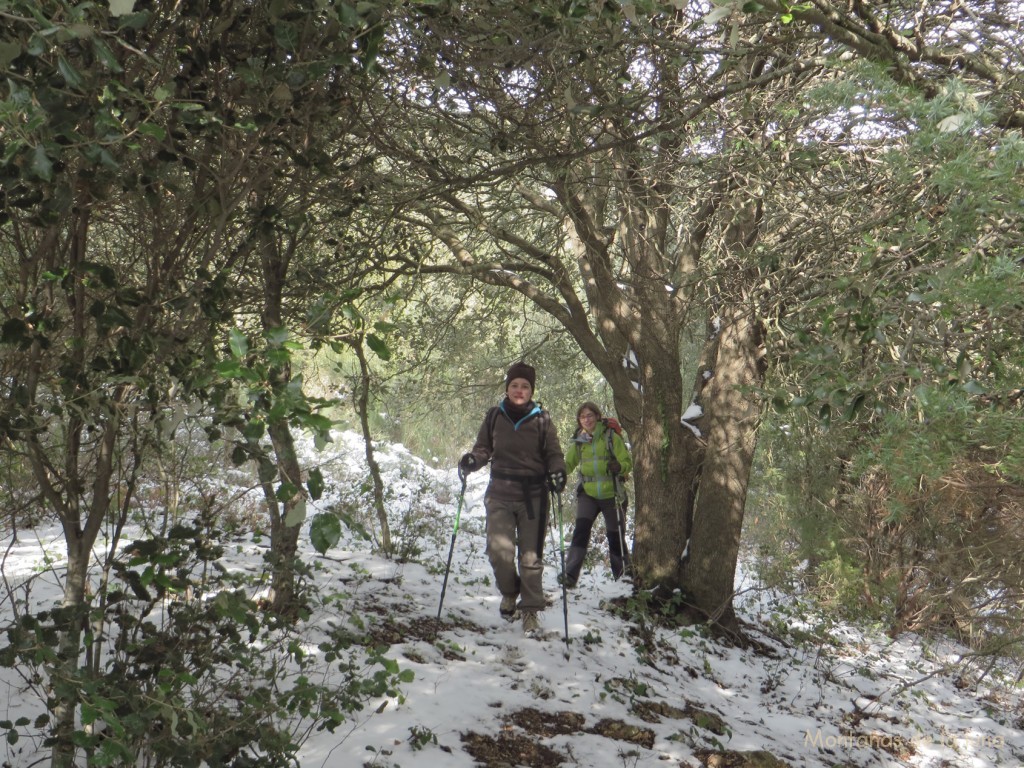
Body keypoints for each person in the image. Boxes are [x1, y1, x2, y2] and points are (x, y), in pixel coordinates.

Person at [459, 362, 566, 636]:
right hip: (500, 494)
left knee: (531, 558)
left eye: (525, 386)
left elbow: (554, 453)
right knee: (499, 552)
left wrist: (557, 472)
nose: (520, 390)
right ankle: (509, 593)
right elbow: (483, 448)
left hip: (533, 497)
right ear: (507, 388)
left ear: (532, 390)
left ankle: (530, 610)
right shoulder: (495, 415)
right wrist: (473, 460)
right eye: (515, 385)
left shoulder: (542, 419)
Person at [561, 401, 633, 588]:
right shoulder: (579, 440)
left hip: (612, 495)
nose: (586, 419)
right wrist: (556, 475)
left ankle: (623, 579)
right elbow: (568, 464)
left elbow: (627, 461)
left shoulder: (610, 437)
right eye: (582, 417)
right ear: (579, 420)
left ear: (597, 417)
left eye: (590, 415)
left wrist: (619, 466)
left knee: (615, 536)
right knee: (580, 532)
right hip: (589, 494)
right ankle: (569, 575)